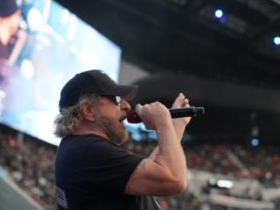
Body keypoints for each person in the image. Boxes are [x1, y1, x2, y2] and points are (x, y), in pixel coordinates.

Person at [54, 69, 191, 210]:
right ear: (88, 110)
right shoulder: (90, 152)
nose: (127, 106)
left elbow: (152, 172)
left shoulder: (78, 149)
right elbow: (174, 179)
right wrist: (162, 122)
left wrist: (176, 126)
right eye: (117, 99)